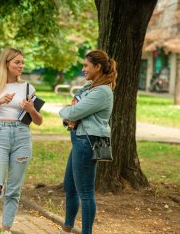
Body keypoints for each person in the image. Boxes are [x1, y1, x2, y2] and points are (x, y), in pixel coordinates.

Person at [0, 48, 43, 234]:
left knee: (14, 189)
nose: (21, 66)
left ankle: (6, 230)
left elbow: (38, 121)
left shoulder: (28, 88)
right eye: (17, 62)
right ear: (6, 63)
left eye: (22, 62)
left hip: (22, 136)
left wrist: (31, 109)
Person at [58, 50, 117, 234]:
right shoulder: (90, 87)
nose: (83, 69)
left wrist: (64, 111)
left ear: (97, 67)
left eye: (86, 66)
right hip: (80, 139)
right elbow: (76, 102)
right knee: (70, 187)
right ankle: (67, 229)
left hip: (88, 141)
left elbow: (74, 112)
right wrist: (70, 112)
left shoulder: (102, 91)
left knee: (85, 191)